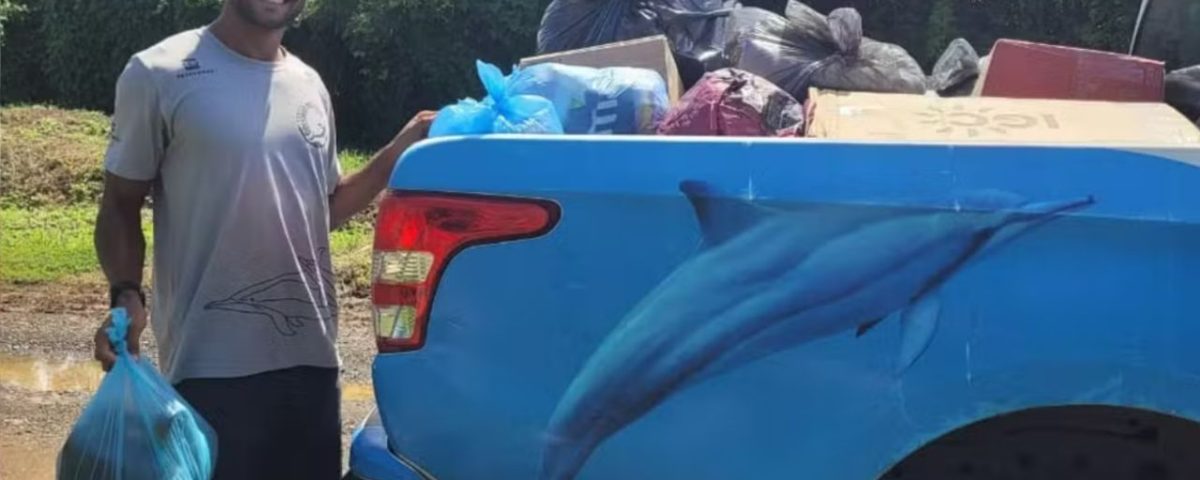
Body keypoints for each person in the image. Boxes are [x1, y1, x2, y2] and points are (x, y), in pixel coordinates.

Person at [91, 0, 435, 478]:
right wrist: (125, 292)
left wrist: (398, 150)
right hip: (210, 368)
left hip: (313, 363)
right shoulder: (159, 73)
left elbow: (323, 209)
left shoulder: (309, 84)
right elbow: (118, 204)